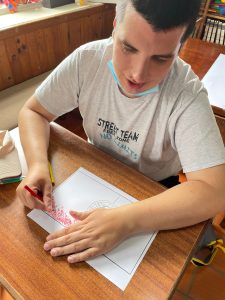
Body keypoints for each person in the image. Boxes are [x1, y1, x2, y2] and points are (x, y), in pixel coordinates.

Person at [17, 0, 225, 264]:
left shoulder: (186, 95)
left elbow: (215, 191)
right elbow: (33, 112)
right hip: (94, 167)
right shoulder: (87, 60)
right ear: (115, 27)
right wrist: (37, 165)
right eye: (128, 47)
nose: (137, 74)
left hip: (155, 189)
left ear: (180, 48)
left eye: (161, 58)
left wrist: (127, 220)